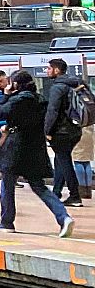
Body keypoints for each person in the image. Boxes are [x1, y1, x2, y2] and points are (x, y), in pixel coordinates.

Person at [0, 69, 75, 237]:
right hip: (35, 147)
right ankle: (63, 217)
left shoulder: (18, 99)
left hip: (15, 147)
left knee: (7, 184)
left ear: (16, 84)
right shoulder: (40, 99)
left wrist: (6, 94)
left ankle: (7, 222)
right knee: (39, 186)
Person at [44, 58, 86, 208]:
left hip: (62, 131)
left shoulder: (58, 87)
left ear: (56, 70)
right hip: (75, 129)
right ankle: (56, 192)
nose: (47, 71)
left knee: (65, 162)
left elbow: (53, 110)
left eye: (49, 68)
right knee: (62, 159)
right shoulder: (74, 83)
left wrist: (47, 131)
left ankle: (75, 196)